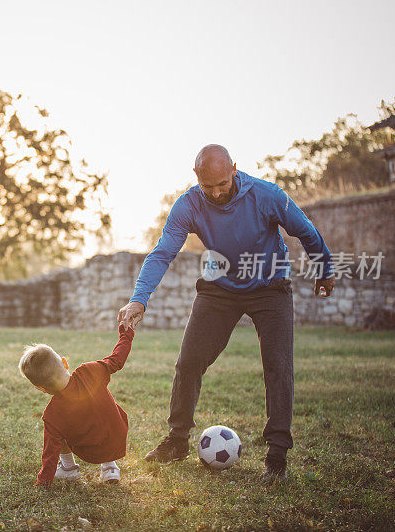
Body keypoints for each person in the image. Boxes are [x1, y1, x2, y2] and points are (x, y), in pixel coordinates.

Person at [118, 144, 336, 485]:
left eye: (223, 183)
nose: (217, 193)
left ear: (234, 169)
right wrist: (138, 299)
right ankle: (177, 441)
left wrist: (325, 267)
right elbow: (162, 253)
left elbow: (304, 231)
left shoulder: (267, 195)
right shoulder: (188, 205)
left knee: (278, 367)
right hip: (220, 288)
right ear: (196, 178)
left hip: (270, 287)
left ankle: (277, 454)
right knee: (188, 362)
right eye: (209, 187)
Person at [19, 324, 135, 486]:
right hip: (117, 437)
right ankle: (110, 468)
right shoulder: (89, 372)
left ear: (41, 389)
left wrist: (43, 483)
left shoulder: (52, 415)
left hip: (90, 452)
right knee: (101, 413)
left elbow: (50, 453)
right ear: (65, 363)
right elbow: (117, 359)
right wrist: (126, 334)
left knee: (58, 435)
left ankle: (68, 469)